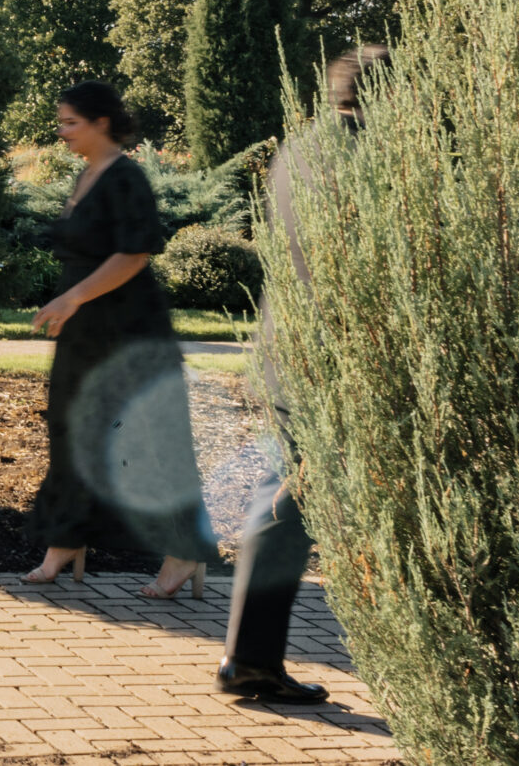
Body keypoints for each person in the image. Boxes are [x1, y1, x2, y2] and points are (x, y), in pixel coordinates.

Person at [218, 46, 385, 704]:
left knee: (285, 490)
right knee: (291, 497)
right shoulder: (367, 153)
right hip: (331, 353)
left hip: (285, 341)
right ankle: (251, 659)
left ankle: (249, 656)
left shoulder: (298, 150)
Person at [24, 80, 216, 598]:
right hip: (84, 331)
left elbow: (134, 255)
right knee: (71, 431)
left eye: (70, 122)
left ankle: (183, 550)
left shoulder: (126, 176)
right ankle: (66, 540)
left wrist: (71, 298)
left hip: (129, 332)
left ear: (101, 122)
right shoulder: (86, 174)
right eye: (61, 122)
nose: (62, 132)